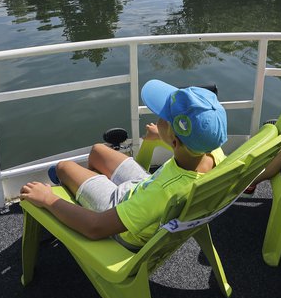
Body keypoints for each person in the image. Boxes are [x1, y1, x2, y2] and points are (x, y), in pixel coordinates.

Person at [20, 79, 228, 249]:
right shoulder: (213, 151)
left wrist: (48, 200)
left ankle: (70, 205)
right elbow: (187, 151)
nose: (158, 116)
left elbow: (96, 227)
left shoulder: (162, 194)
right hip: (146, 186)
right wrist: (163, 137)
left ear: (174, 141)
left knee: (63, 167)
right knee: (97, 151)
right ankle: (87, 191)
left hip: (123, 217)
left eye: (163, 117)